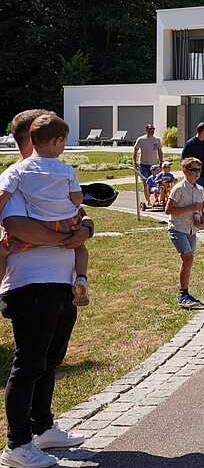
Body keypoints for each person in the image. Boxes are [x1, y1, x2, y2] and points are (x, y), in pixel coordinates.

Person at [0, 110, 92, 467]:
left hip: (60, 282)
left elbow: (80, 212)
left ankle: (42, 428)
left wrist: (85, 229)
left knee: (49, 361)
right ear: (30, 138)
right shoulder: (17, 178)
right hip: (32, 283)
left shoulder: (48, 176)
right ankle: (17, 445)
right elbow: (17, 226)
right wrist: (68, 238)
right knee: (29, 364)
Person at [0, 114, 91, 309]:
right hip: (66, 225)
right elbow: (77, 201)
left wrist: (88, 227)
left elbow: (2, 197)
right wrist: (74, 234)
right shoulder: (66, 170)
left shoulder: (18, 171)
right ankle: (82, 278)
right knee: (80, 246)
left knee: (1, 251)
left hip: (41, 223)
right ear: (57, 141)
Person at [165, 157, 204, 308]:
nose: (197, 173)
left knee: (188, 261)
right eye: (193, 170)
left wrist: (201, 220)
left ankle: (185, 294)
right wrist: (190, 208)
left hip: (192, 229)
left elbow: (200, 209)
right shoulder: (179, 189)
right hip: (177, 228)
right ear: (185, 171)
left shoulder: (200, 189)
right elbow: (168, 210)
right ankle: (183, 295)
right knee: (187, 258)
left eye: (199, 170)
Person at [133, 124, 163, 203]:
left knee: (156, 182)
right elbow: (135, 150)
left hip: (154, 164)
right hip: (144, 164)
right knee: (146, 183)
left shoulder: (157, 140)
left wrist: (161, 163)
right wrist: (135, 162)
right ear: (146, 130)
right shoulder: (141, 139)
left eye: (153, 129)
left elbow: (160, 151)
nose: (152, 130)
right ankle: (147, 200)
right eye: (150, 129)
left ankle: (156, 200)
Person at [181, 122, 204, 198]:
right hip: (195, 173)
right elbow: (184, 159)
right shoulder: (190, 143)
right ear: (203, 131)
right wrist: (188, 172)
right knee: (195, 196)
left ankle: (202, 207)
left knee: (203, 195)